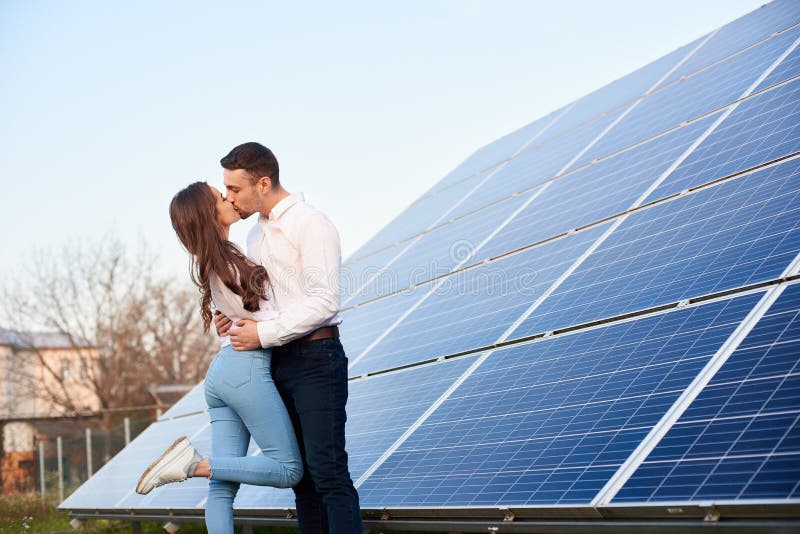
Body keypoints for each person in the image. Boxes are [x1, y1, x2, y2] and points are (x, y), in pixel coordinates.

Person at [135, 182, 303, 534]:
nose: (228, 198)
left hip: (225, 374)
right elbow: (268, 317)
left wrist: (233, 318)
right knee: (289, 469)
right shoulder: (227, 262)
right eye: (219, 197)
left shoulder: (215, 261)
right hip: (245, 371)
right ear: (208, 213)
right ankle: (192, 465)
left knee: (222, 489)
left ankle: (197, 467)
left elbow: (240, 315)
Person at [215, 142, 363, 533]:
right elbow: (263, 304)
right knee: (302, 480)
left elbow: (324, 300)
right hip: (277, 362)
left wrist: (262, 333)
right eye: (226, 189)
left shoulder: (311, 224)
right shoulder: (253, 239)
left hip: (317, 358)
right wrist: (232, 318)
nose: (229, 198)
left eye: (235, 189)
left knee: (328, 471)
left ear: (263, 183)